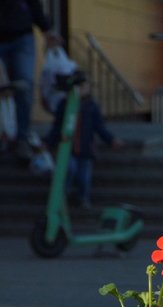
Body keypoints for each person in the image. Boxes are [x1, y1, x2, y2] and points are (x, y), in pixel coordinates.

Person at [45, 73, 123, 210]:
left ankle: (83, 198)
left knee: (84, 177)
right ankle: (64, 195)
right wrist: (49, 142)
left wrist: (111, 140)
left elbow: (99, 127)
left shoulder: (91, 106)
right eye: (80, 86)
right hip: (68, 147)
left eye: (85, 86)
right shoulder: (64, 104)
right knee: (69, 169)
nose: (83, 89)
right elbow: (57, 126)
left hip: (85, 148)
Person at [0, 0, 61, 160]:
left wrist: (47, 30)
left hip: (22, 37)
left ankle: (22, 138)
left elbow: (34, 4)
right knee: (4, 89)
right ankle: (5, 135)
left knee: (24, 86)